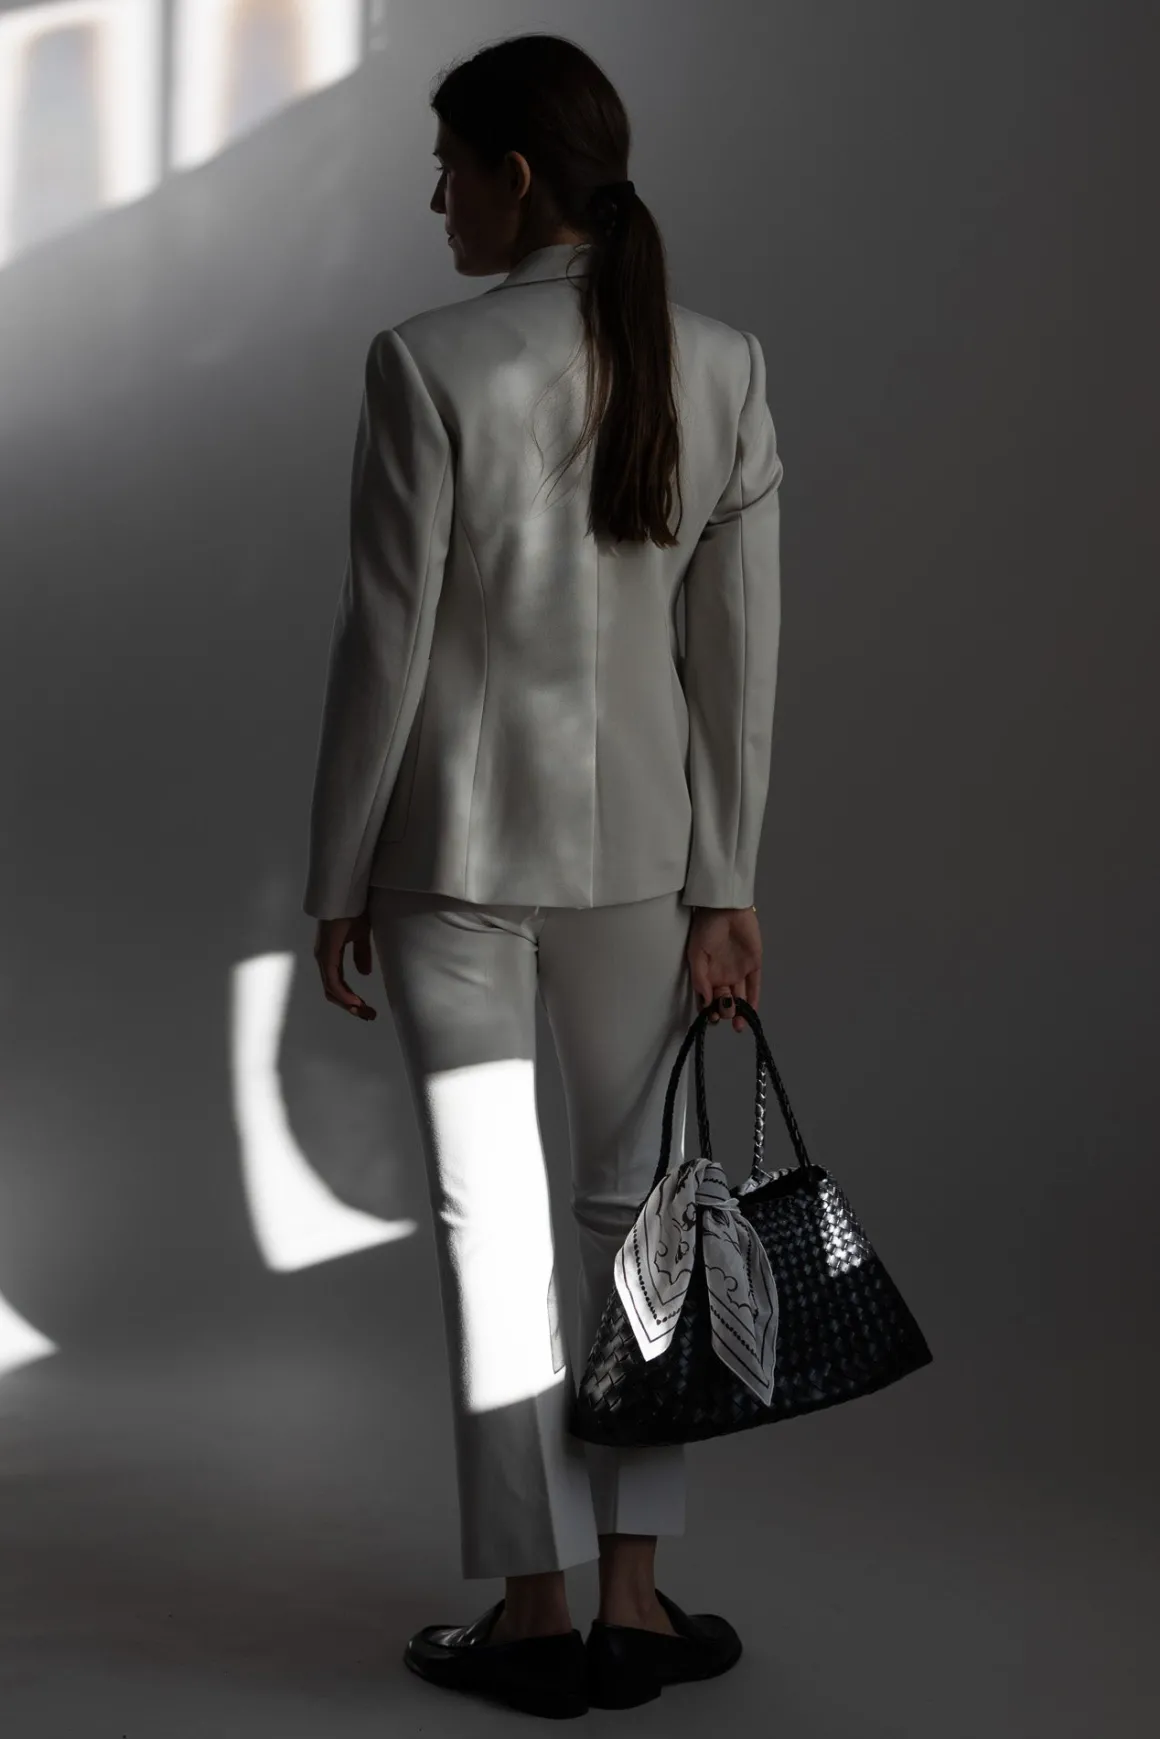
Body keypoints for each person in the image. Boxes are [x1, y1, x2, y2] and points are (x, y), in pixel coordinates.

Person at [303, 32, 781, 1719]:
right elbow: (739, 657)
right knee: (644, 1218)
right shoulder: (720, 362)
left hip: (450, 853)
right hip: (645, 862)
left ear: (515, 177)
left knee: (491, 1225)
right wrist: (728, 876)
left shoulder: (425, 360)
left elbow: (385, 638)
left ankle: (532, 1612)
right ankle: (635, 1601)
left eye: (447, 165)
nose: (433, 196)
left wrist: (337, 869)